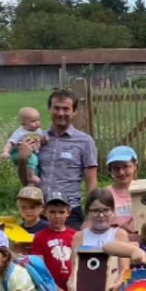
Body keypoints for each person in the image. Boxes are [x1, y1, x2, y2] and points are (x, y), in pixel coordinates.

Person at [20, 90, 98, 224]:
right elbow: (26, 181)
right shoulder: (37, 139)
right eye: (56, 108)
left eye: (66, 109)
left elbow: (91, 183)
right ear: (50, 109)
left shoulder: (85, 141)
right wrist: (22, 160)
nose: (61, 113)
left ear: (74, 111)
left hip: (70, 212)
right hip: (40, 212)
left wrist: (90, 216)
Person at [30, 194, 77, 291]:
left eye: (61, 212)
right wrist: (53, 288)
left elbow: (80, 264)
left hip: (74, 288)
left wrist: (75, 285)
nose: (57, 216)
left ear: (68, 212)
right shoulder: (40, 237)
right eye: (52, 212)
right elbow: (39, 267)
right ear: (44, 212)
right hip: (51, 289)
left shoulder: (76, 236)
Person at [105, 147, 139, 236]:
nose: (121, 172)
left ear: (135, 166)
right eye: (116, 168)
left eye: (125, 166)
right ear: (110, 170)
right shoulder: (104, 195)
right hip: (113, 240)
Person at [2, 105, 42, 177]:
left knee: (39, 162)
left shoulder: (39, 131)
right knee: (32, 161)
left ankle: (37, 177)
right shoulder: (20, 132)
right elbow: (10, 142)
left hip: (33, 153)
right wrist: (5, 152)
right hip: (19, 152)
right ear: (23, 123)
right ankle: (32, 176)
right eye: (33, 121)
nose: (37, 123)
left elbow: (41, 141)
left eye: (38, 120)